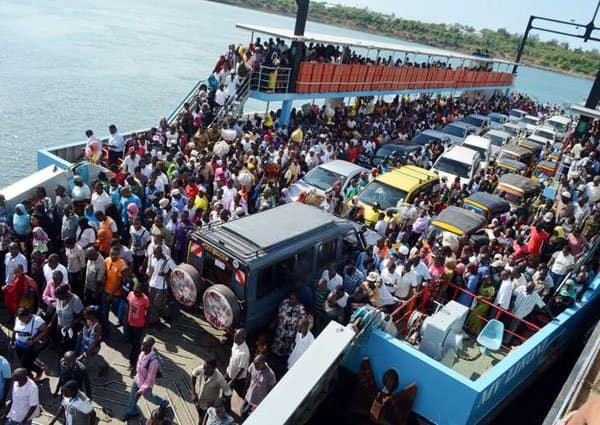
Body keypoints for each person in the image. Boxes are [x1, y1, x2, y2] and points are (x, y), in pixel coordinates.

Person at [125, 336, 168, 420]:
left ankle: (164, 402)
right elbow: (139, 364)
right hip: (137, 379)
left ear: (150, 346)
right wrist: (135, 371)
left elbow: (150, 378)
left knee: (150, 397)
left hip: (146, 385)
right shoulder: (142, 353)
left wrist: (141, 391)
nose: (142, 346)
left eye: (144, 345)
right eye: (142, 344)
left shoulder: (153, 361)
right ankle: (131, 412)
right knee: (132, 398)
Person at [11, 307, 48, 380]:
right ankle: (35, 370)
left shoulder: (37, 320)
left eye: (24, 318)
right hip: (18, 345)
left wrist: (34, 340)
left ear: (29, 315)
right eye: (20, 318)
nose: (22, 320)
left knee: (24, 365)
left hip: (28, 347)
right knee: (24, 362)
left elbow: (45, 330)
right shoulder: (18, 318)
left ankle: (36, 373)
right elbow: (15, 329)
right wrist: (12, 341)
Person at [191, 359, 232, 424]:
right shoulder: (202, 368)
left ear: (213, 369)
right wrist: (193, 392)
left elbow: (228, 394)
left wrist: (217, 403)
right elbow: (193, 375)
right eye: (204, 368)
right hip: (198, 400)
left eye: (207, 369)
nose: (204, 370)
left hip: (209, 406)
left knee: (203, 420)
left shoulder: (220, 378)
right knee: (200, 415)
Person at [146, 246, 176, 327]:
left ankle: (155, 321)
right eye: (154, 253)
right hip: (152, 284)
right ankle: (162, 316)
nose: (154, 255)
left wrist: (166, 274)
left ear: (161, 252)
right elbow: (152, 268)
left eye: (156, 253)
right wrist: (149, 279)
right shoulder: (153, 257)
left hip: (162, 287)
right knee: (152, 303)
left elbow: (176, 272)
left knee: (157, 304)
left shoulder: (168, 261)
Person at [75, 306, 107, 377]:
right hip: (85, 344)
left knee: (93, 359)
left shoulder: (98, 326)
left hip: (93, 348)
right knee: (86, 359)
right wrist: (81, 333)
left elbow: (95, 342)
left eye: (86, 314)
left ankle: (103, 367)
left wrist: (85, 354)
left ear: (92, 315)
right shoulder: (87, 320)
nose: (84, 316)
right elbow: (85, 330)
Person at [271, 292, 306, 357]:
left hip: (289, 334)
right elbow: (279, 313)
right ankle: (274, 356)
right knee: (276, 346)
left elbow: (302, 323)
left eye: (293, 299)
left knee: (285, 350)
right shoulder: (285, 302)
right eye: (290, 298)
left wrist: (297, 334)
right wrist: (274, 322)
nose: (291, 300)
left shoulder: (301, 309)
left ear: (297, 300)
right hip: (280, 330)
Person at [52, 284, 84, 354]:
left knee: (68, 344)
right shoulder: (59, 298)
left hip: (70, 328)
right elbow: (57, 311)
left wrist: (69, 325)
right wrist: (51, 323)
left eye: (60, 298)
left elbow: (81, 316)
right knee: (59, 340)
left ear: (65, 294)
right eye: (57, 298)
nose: (59, 299)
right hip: (60, 325)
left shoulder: (75, 300)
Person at [125, 282, 149, 372]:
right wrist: (125, 317)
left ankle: (133, 363)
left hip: (139, 325)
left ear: (142, 292)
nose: (136, 294)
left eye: (138, 292)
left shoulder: (145, 299)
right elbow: (128, 305)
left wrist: (146, 321)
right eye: (135, 292)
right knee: (131, 341)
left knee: (135, 345)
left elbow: (148, 310)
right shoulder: (130, 294)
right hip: (129, 322)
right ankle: (140, 351)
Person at [226, 328, 250, 398]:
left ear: (243, 338)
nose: (234, 338)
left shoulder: (244, 352)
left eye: (236, 337)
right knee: (226, 392)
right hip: (229, 373)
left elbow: (241, 370)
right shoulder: (236, 343)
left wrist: (232, 381)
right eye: (234, 336)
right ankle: (226, 407)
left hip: (238, 379)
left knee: (242, 395)